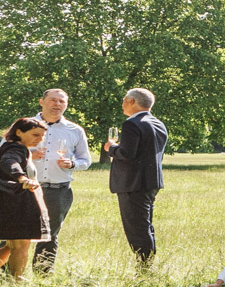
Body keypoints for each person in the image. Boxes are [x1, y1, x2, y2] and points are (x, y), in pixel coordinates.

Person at [0, 117, 51, 285]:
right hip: (15, 206)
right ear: (19, 132)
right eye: (35, 134)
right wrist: (22, 177)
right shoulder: (15, 149)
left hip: (10, 204)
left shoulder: (13, 147)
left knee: (10, 246)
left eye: (42, 136)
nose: (40, 139)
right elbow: (9, 163)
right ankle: (15, 285)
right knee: (20, 247)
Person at [30, 88, 91, 271]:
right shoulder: (24, 125)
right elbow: (2, 152)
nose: (57, 104)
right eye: (53, 100)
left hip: (58, 191)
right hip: (26, 189)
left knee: (49, 235)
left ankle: (43, 276)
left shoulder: (75, 130)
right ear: (42, 102)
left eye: (62, 101)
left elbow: (85, 160)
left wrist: (72, 164)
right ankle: (6, 275)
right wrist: (27, 154)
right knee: (15, 234)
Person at [104, 88, 167, 264]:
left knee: (136, 228)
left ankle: (145, 266)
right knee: (145, 225)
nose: (122, 104)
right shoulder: (158, 123)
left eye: (124, 100)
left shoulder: (132, 124)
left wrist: (111, 148)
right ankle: (148, 263)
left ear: (131, 101)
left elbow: (127, 154)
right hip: (151, 181)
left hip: (132, 183)